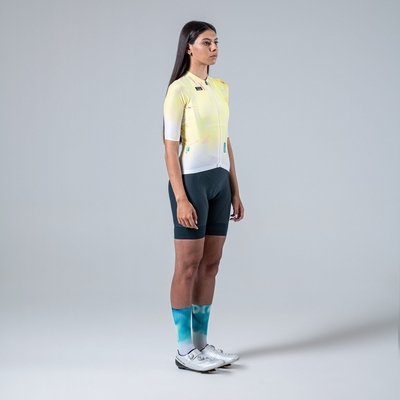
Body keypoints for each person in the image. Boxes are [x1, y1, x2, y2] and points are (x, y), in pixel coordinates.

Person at [163, 21, 244, 373]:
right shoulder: (179, 90)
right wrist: (181, 197)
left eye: (216, 42)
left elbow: (225, 141)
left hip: (220, 183)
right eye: (206, 42)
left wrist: (236, 189)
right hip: (192, 184)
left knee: (211, 266)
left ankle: (201, 345)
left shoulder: (221, 88)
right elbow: (170, 148)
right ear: (189, 47)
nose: (214, 48)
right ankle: (184, 350)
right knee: (187, 267)